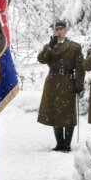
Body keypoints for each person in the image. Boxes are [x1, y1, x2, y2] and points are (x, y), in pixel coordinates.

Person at [37, 20, 84, 152]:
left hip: (68, 81)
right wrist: (49, 48)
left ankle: (67, 144)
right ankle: (60, 143)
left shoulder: (75, 47)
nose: (59, 32)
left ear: (66, 30)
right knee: (56, 112)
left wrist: (79, 84)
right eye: (56, 29)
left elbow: (80, 68)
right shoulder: (50, 46)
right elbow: (41, 59)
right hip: (53, 82)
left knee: (68, 113)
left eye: (61, 29)